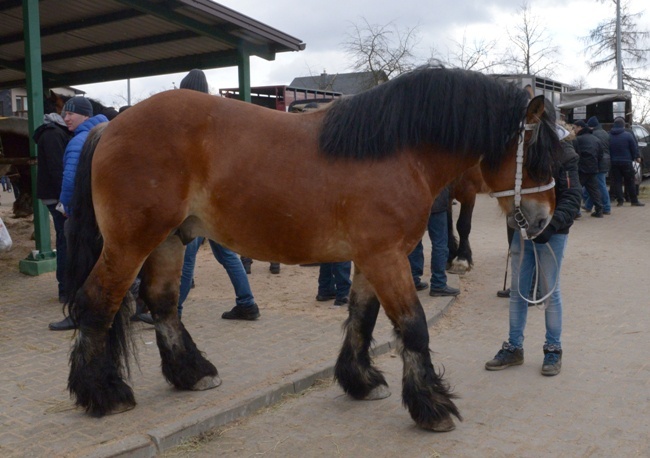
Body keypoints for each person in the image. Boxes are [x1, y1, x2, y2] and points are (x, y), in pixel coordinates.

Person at [485, 120, 581, 376]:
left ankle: (553, 348)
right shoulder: (523, 152)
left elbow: (572, 199)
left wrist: (552, 227)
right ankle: (514, 346)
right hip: (522, 232)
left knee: (550, 290)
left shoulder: (565, 155)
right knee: (518, 290)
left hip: (553, 233)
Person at [172, 68, 260, 321]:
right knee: (226, 254)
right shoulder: (217, 119)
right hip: (220, 201)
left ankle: (174, 310)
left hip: (199, 202)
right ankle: (247, 303)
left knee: (186, 257)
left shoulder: (188, 123)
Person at [48, 96, 109, 331]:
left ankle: (77, 314)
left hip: (81, 215)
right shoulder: (106, 132)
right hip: (101, 213)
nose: (66, 118)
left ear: (85, 115)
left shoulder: (78, 141)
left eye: (71, 113)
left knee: (78, 266)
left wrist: (65, 207)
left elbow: (70, 180)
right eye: (65, 113)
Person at [33, 104, 73, 303]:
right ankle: (65, 289)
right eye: (67, 114)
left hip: (55, 195)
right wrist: (65, 200)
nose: (69, 118)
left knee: (65, 239)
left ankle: (67, 287)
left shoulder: (54, 132)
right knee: (65, 241)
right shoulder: (53, 135)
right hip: (58, 197)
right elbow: (58, 170)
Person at [408, 186, 460, 297]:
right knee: (440, 244)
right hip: (437, 200)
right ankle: (438, 284)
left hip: (414, 201)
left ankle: (413, 280)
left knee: (415, 241)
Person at [609, 117, 645, 207]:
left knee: (617, 182)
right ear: (623, 125)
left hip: (614, 162)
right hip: (626, 161)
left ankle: (620, 201)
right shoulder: (628, 135)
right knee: (630, 181)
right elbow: (634, 148)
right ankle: (634, 201)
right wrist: (637, 157)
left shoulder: (609, 135)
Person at [573, 120, 604, 218]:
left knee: (576, 190)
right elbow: (600, 155)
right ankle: (599, 210)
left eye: (575, 128)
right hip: (593, 168)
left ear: (580, 128)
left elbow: (575, 154)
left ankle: (576, 212)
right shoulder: (596, 139)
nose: (574, 130)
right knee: (594, 190)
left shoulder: (577, 139)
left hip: (581, 169)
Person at [583, 116, 611, 215]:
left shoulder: (593, 134)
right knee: (595, 185)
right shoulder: (605, 133)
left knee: (600, 185)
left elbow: (595, 149)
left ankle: (606, 207)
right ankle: (588, 205)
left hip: (599, 161)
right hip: (606, 160)